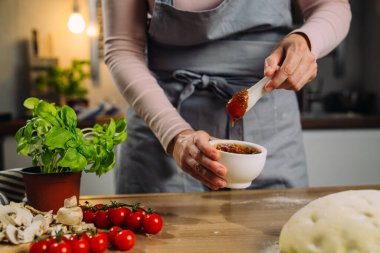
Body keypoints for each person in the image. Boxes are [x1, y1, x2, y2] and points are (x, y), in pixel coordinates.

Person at [102, 0, 351, 193]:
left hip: (270, 126)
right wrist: (175, 135)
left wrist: (306, 41)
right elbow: (122, 47)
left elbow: (331, 5)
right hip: (162, 131)